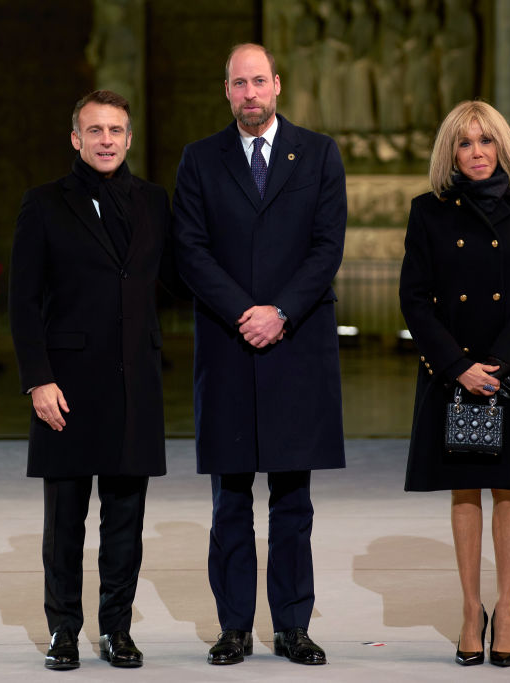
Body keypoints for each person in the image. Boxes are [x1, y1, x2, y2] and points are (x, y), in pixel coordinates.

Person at [172, 43, 347, 667]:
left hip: (295, 345)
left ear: (277, 84)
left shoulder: (320, 153)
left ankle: (294, 627)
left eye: (259, 82)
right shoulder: (199, 160)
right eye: (238, 84)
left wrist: (281, 312)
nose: (250, 93)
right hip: (228, 345)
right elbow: (189, 250)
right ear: (226, 91)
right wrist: (246, 313)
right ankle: (235, 628)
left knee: (293, 499)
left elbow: (327, 247)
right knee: (231, 499)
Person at [9, 90, 178, 671]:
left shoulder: (155, 202)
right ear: (75, 139)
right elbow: (23, 302)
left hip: (136, 385)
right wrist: (38, 380)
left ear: (129, 139)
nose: (106, 139)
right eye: (94, 130)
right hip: (68, 388)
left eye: (116, 130)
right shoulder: (44, 203)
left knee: (126, 518)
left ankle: (116, 630)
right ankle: (62, 629)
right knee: (65, 521)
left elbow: (183, 277)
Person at [398, 100, 510, 668]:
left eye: (485, 141)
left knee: (509, 487)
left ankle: (508, 609)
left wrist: (499, 362)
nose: (476, 152)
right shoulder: (428, 211)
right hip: (452, 370)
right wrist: (457, 365)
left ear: (503, 147)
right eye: (465, 142)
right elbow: (413, 298)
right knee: (465, 488)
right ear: (451, 151)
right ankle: (472, 611)